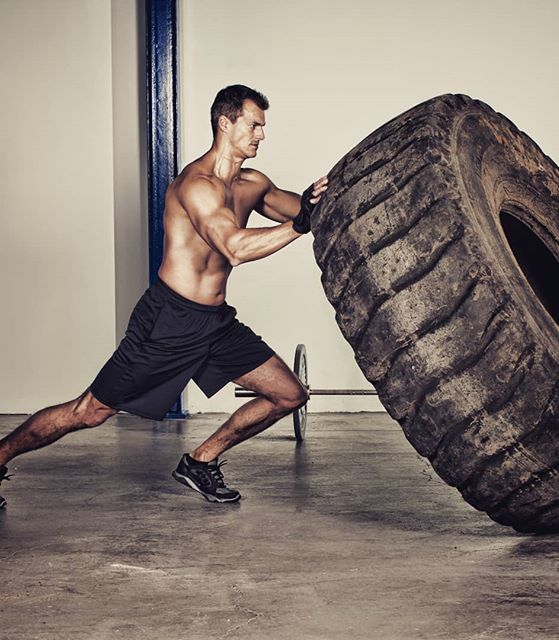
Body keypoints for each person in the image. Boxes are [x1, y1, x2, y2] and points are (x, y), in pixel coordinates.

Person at [0, 84, 328, 508]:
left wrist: (325, 197)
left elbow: (306, 210)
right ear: (225, 123)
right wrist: (298, 226)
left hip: (215, 322)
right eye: (254, 124)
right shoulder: (196, 186)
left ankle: (199, 461)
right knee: (90, 411)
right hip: (168, 321)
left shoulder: (252, 184)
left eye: (263, 126)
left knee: (289, 394)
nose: (261, 134)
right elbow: (235, 248)